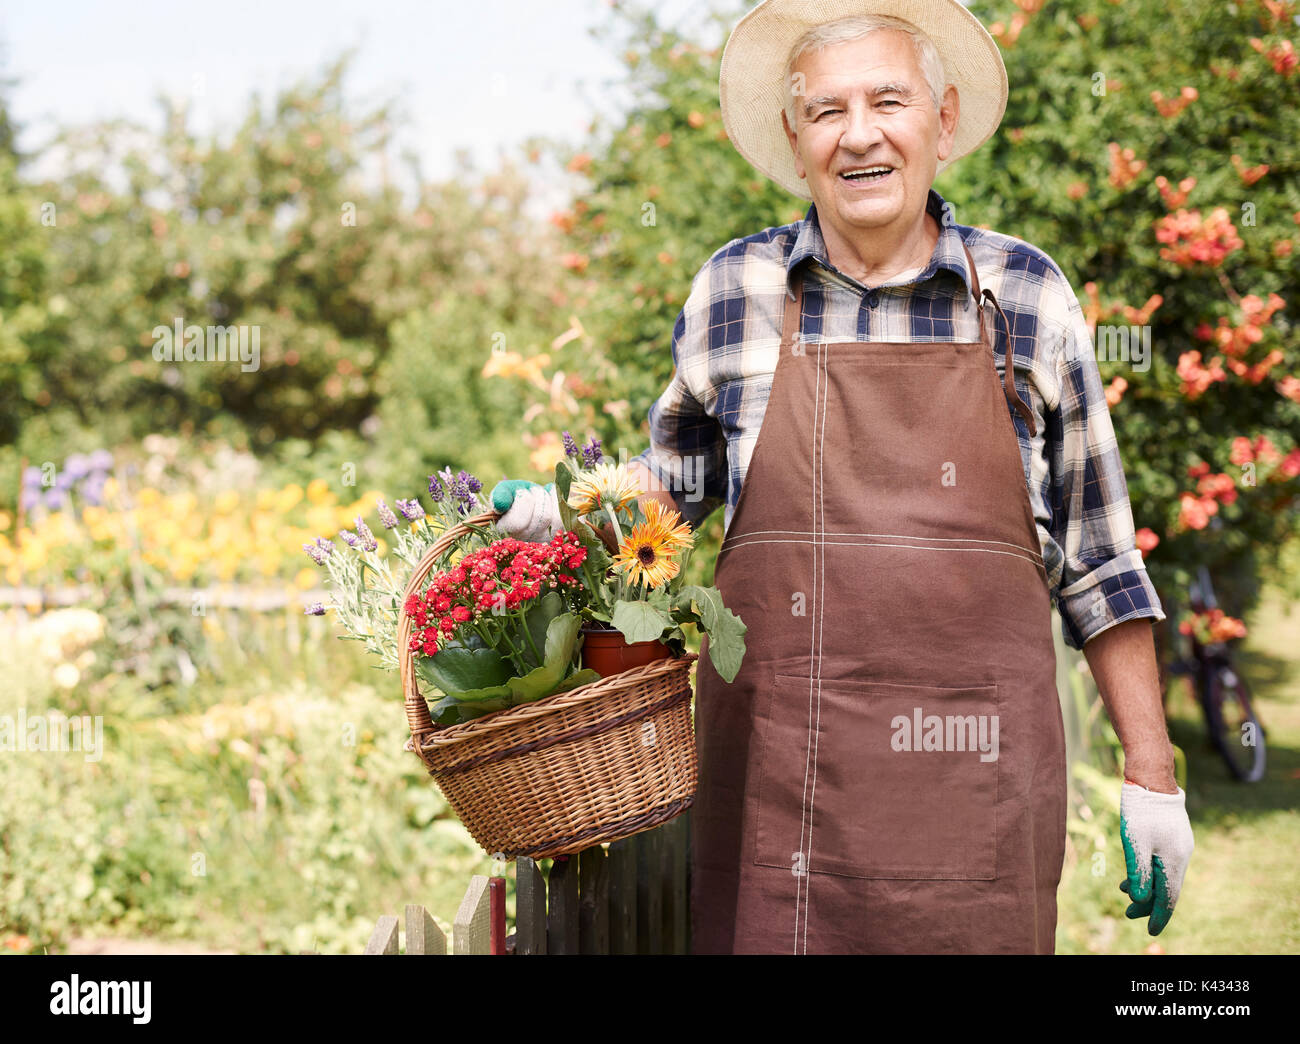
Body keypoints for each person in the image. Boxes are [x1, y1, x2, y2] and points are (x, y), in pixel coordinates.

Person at [492, 0, 1193, 954]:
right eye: (826, 111)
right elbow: (667, 509)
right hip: (781, 803)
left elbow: (1101, 562)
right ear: (794, 137)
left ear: (941, 122)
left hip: (975, 798)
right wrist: (558, 515)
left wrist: (1152, 774)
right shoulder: (735, 293)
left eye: (888, 101)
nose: (858, 134)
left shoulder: (1025, 294)